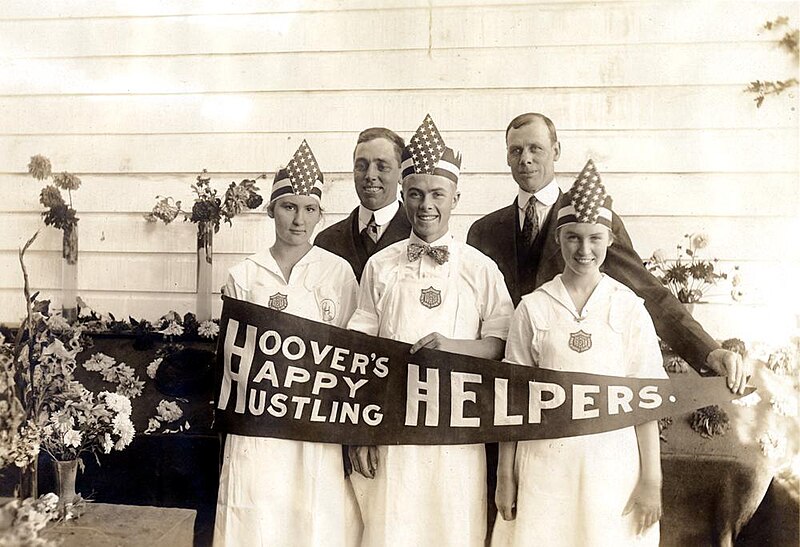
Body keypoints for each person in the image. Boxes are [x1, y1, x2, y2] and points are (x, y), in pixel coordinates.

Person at [467, 112, 746, 392]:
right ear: (506, 157)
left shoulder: (593, 219)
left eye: (535, 148)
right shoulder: (485, 231)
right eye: (516, 150)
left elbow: (647, 291)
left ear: (556, 150)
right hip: (499, 390)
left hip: (572, 386)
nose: (525, 159)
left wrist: (708, 351)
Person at [347, 115, 514, 547]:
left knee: (453, 529)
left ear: (456, 197)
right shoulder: (380, 266)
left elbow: (500, 345)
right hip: (392, 425)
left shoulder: (480, 268)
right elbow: (360, 352)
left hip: (456, 430)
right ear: (402, 196)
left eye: (437, 193)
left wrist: (454, 347)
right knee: (390, 529)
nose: (426, 205)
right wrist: (362, 431)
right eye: (416, 194)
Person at [492, 159, 665, 546]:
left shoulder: (627, 307)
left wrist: (651, 479)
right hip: (545, 463)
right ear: (558, 238)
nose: (583, 249)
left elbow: (647, 399)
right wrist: (506, 475)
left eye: (594, 238)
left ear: (610, 240)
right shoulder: (534, 307)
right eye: (573, 237)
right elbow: (511, 399)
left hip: (612, 465)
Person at [213, 141, 361, 547]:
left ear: (319, 214)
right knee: (257, 511)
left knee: (312, 515)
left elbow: (349, 353)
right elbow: (234, 360)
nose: (299, 219)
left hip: (315, 421)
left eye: (309, 209)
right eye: (288, 207)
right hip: (260, 422)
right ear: (270, 210)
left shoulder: (338, 272)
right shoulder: (245, 275)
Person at [315, 127, 413, 281]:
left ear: (401, 174)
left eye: (382, 167)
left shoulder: (418, 236)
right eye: (361, 166)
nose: (370, 175)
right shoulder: (326, 241)